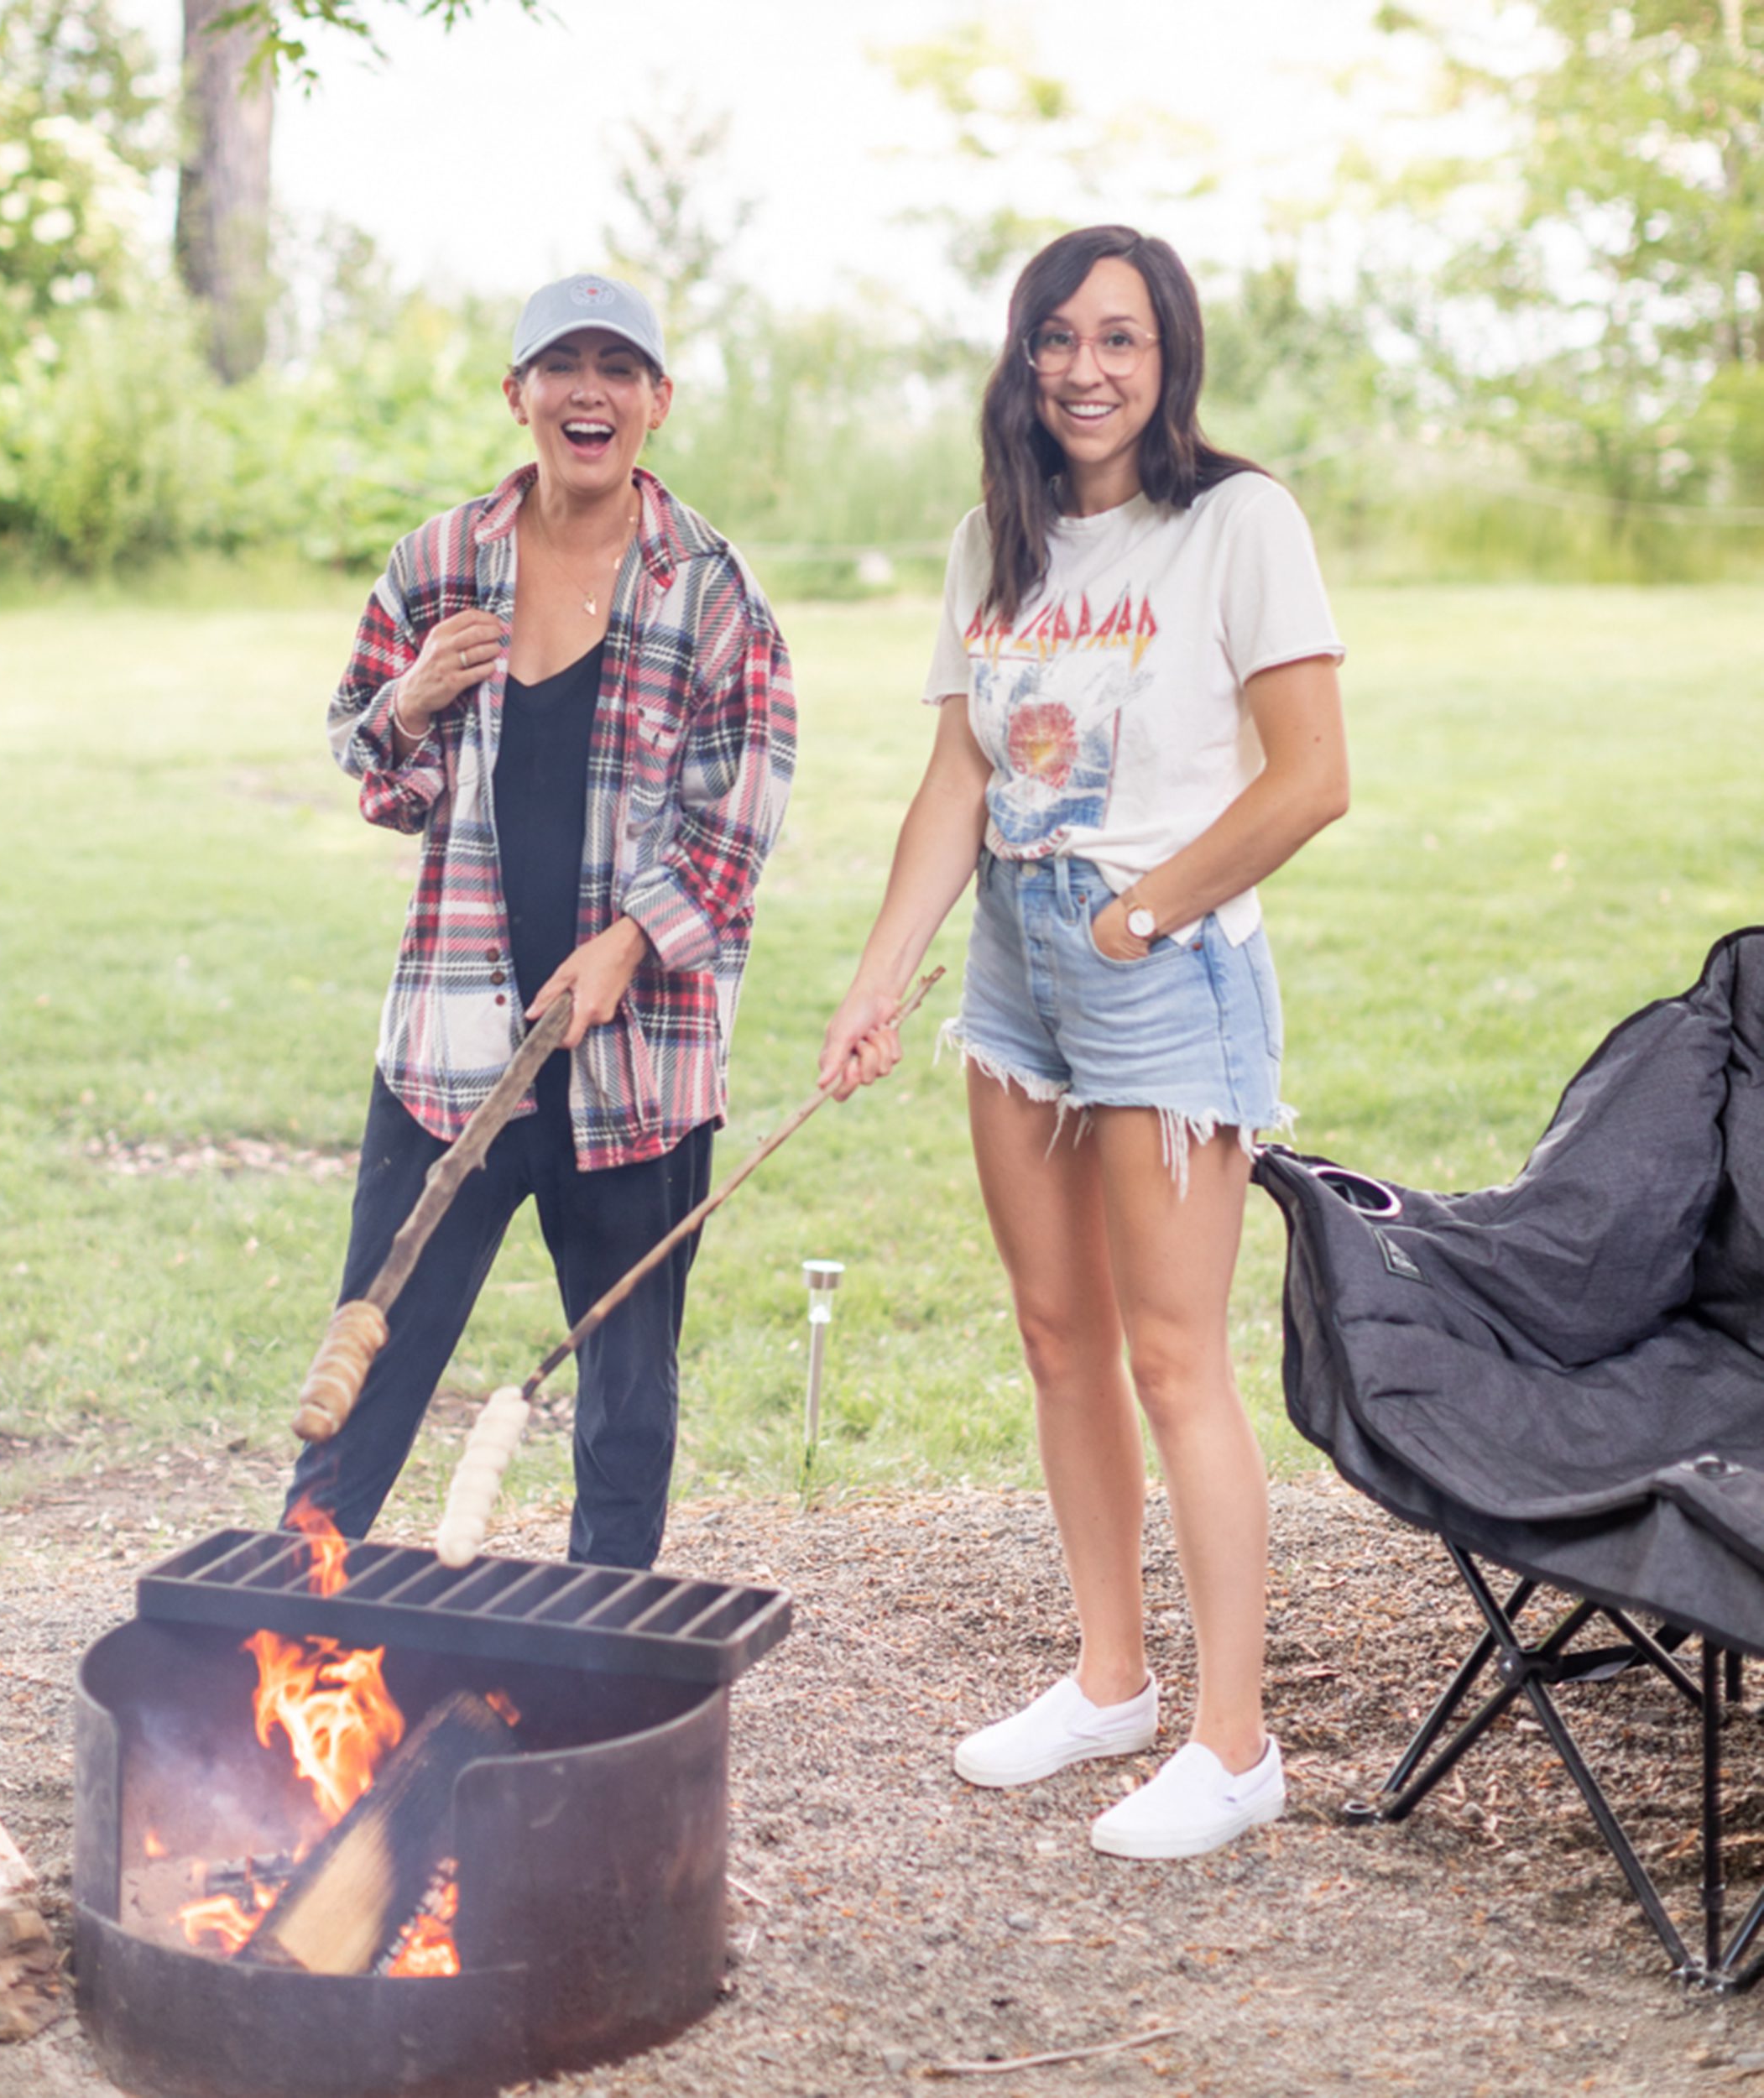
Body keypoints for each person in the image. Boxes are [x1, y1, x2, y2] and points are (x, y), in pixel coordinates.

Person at [820, 227, 1348, 1860]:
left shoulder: (1234, 522)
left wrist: (1137, 917)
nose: (1084, 367)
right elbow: (959, 781)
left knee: (1171, 1355)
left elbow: (1308, 774)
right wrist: (880, 975)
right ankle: (1109, 1678)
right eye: (1057, 336)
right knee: (1057, 1335)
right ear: (1021, 354)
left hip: (1156, 962)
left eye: (1118, 337)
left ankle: (1231, 1740)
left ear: (1164, 354)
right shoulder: (997, 535)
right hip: (1011, 971)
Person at [290, 271, 796, 1570]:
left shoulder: (712, 590)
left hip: (638, 1060)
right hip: (453, 1046)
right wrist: (407, 702)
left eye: (617, 368)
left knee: (626, 1392)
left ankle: (604, 1651)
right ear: (515, 395)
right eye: (560, 365)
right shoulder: (440, 563)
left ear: (658, 402)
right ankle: (287, 1611)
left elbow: (740, 811)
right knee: (379, 1340)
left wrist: (631, 944)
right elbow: (374, 767)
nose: (589, 390)